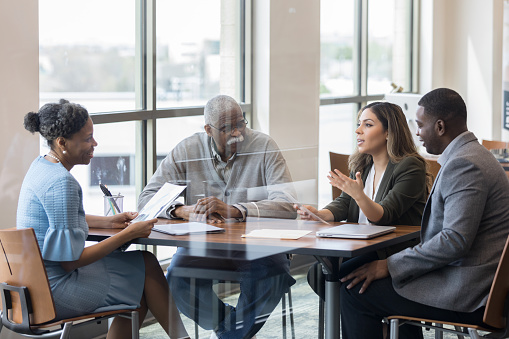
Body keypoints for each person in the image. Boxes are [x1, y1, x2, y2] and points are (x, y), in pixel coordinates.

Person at [339, 88, 509, 339]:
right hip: (480, 284)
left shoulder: (464, 164)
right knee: (360, 278)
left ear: (440, 126)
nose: (417, 133)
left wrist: (389, 265)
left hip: (469, 294)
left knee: (354, 291)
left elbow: (454, 241)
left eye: (420, 125)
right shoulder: (472, 156)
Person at [17, 100, 189, 339]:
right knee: (147, 264)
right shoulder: (62, 183)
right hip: (56, 291)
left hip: (31, 287)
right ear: (62, 142)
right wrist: (128, 234)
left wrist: (109, 222)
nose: (94, 144)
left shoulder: (41, 167)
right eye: (87, 138)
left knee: (138, 284)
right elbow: (70, 262)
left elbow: (60, 221)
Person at [138, 94, 297, 339]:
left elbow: (287, 204)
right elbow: (147, 198)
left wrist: (235, 210)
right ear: (208, 129)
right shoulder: (188, 149)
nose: (237, 133)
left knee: (271, 276)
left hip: (258, 246)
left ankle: (228, 335)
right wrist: (182, 210)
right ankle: (231, 330)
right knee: (178, 279)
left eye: (240, 123)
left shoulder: (265, 146)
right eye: (227, 128)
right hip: (206, 246)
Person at [297, 102, 429, 300]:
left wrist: (359, 194)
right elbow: (344, 203)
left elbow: (384, 216)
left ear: (388, 132)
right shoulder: (363, 163)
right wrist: (318, 214)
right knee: (318, 274)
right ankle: (367, 324)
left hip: (391, 252)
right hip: (360, 247)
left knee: (337, 280)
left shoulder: (410, 166)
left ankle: (373, 324)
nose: (358, 130)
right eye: (359, 124)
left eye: (367, 125)